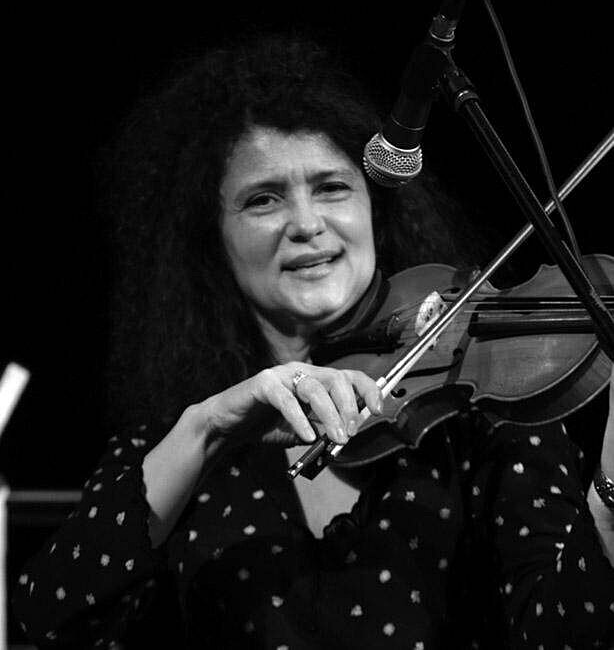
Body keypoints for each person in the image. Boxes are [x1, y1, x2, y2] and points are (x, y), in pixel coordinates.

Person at [12, 33, 614, 649]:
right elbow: (49, 618)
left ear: (375, 209)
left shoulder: (484, 411)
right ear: (213, 239)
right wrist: (208, 431)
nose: (305, 224)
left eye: (332, 187)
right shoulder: (174, 444)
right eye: (263, 200)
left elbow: (570, 637)